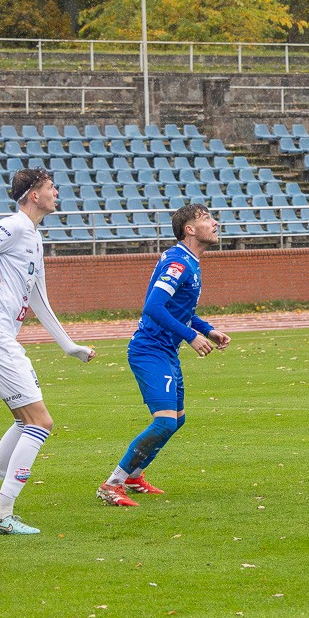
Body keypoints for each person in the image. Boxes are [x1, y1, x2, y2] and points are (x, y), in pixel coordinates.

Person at [0, 168, 96, 535]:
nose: (56, 192)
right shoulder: (13, 225)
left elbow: (38, 298)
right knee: (41, 423)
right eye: (51, 187)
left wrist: (69, 346)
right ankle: (2, 514)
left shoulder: (33, 237)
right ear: (34, 195)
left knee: (24, 421)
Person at [96, 204, 230, 506]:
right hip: (150, 350)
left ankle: (134, 476)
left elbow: (179, 311)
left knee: (177, 420)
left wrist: (207, 330)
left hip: (166, 351)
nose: (215, 223)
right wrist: (191, 336)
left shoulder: (189, 261)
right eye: (207, 219)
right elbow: (153, 307)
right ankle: (111, 483)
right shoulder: (179, 263)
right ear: (190, 229)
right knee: (165, 423)